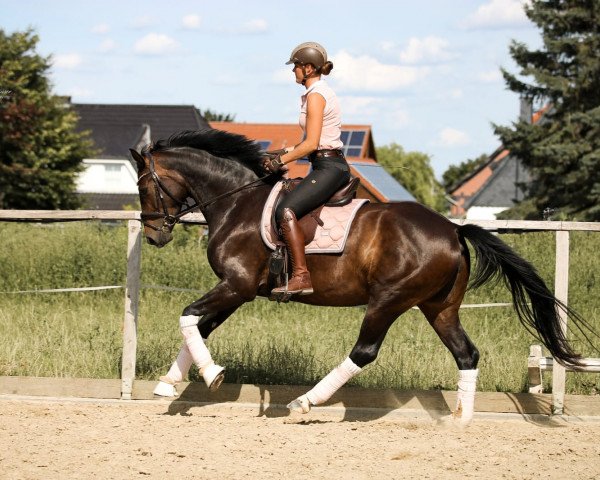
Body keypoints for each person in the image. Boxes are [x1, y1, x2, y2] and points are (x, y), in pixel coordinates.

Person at [262, 41, 351, 296]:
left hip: (329, 167)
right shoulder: (315, 93)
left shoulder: (316, 96)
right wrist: (281, 153)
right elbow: (307, 144)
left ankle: (301, 276)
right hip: (324, 164)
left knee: (286, 209)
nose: (294, 71)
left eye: (297, 67)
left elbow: (312, 144)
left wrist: (281, 162)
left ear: (309, 68)